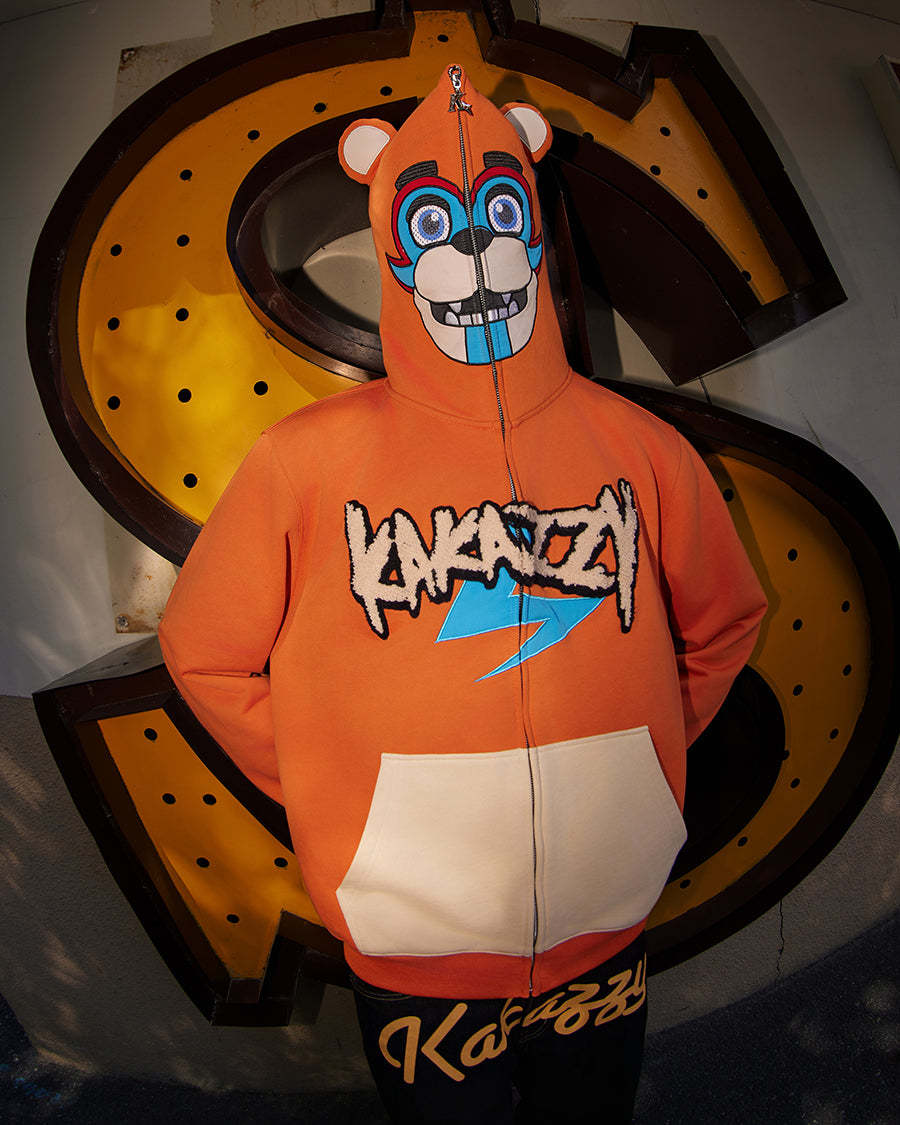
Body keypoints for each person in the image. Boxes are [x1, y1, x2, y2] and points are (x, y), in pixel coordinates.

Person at [159, 66, 767, 1124]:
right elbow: (205, 651)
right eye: (436, 223)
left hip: (605, 930)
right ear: (394, 245)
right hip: (411, 947)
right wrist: (336, 790)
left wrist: (644, 759)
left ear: (532, 234)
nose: (476, 251)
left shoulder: (642, 447)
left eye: (499, 214)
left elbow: (728, 620)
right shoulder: (304, 462)